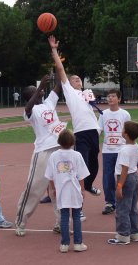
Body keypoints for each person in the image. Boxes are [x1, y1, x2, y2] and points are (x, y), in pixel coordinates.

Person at [48, 36, 101, 222]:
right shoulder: (69, 93)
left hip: (94, 132)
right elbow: (61, 70)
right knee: (81, 166)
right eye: (74, 79)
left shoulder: (87, 95)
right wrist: (54, 51)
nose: (77, 80)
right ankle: (79, 208)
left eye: (79, 79)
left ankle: (88, 185)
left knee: (94, 164)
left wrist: (92, 101)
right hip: (81, 134)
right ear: (69, 84)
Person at [15, 75, 65, 237]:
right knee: (34, 188)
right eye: (35, 90)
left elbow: (59, 85)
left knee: (59, 188)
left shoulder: (49, 102)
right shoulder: (31, 110)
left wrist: (58, 66)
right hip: (43, 151)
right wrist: (40, 87)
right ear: (31, 94)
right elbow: (27, 109)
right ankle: (21, 222)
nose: (41, 90)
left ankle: (60, 222)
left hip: (60, 149)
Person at [45, 129, 89, 253]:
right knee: (76, 216)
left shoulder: (54, 156)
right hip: (74, 189)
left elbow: (50, 176)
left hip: (61, 190)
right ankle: (78, 243)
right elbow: (81, 175)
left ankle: (64, 244)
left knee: (64, 217)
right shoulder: (77, 155)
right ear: (73, 142)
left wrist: (54, 188)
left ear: (59, 142)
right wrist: (83, 189)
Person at [107, 121, 138, 245]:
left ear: (126, 135)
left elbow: (124, 169)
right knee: (132, 207)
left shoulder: (124, 150)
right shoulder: (135, 146)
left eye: (123, 129)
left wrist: (120, 186)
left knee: (122, 208)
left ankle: (123, 235)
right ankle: (135, 232)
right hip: (135, 177)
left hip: (126, 179)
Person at [98, 89, 131, 215]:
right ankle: (110, 202)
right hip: (108, 150)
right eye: (108, 96)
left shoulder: (125, 114)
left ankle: (123, 200)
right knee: (107, 176)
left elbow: (129, 131)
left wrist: (128, 148)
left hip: (121, 149)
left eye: (113, 96)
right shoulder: (103, 114)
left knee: (122, 175)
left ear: (119, 99)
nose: (110, 98)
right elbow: (99, 129)